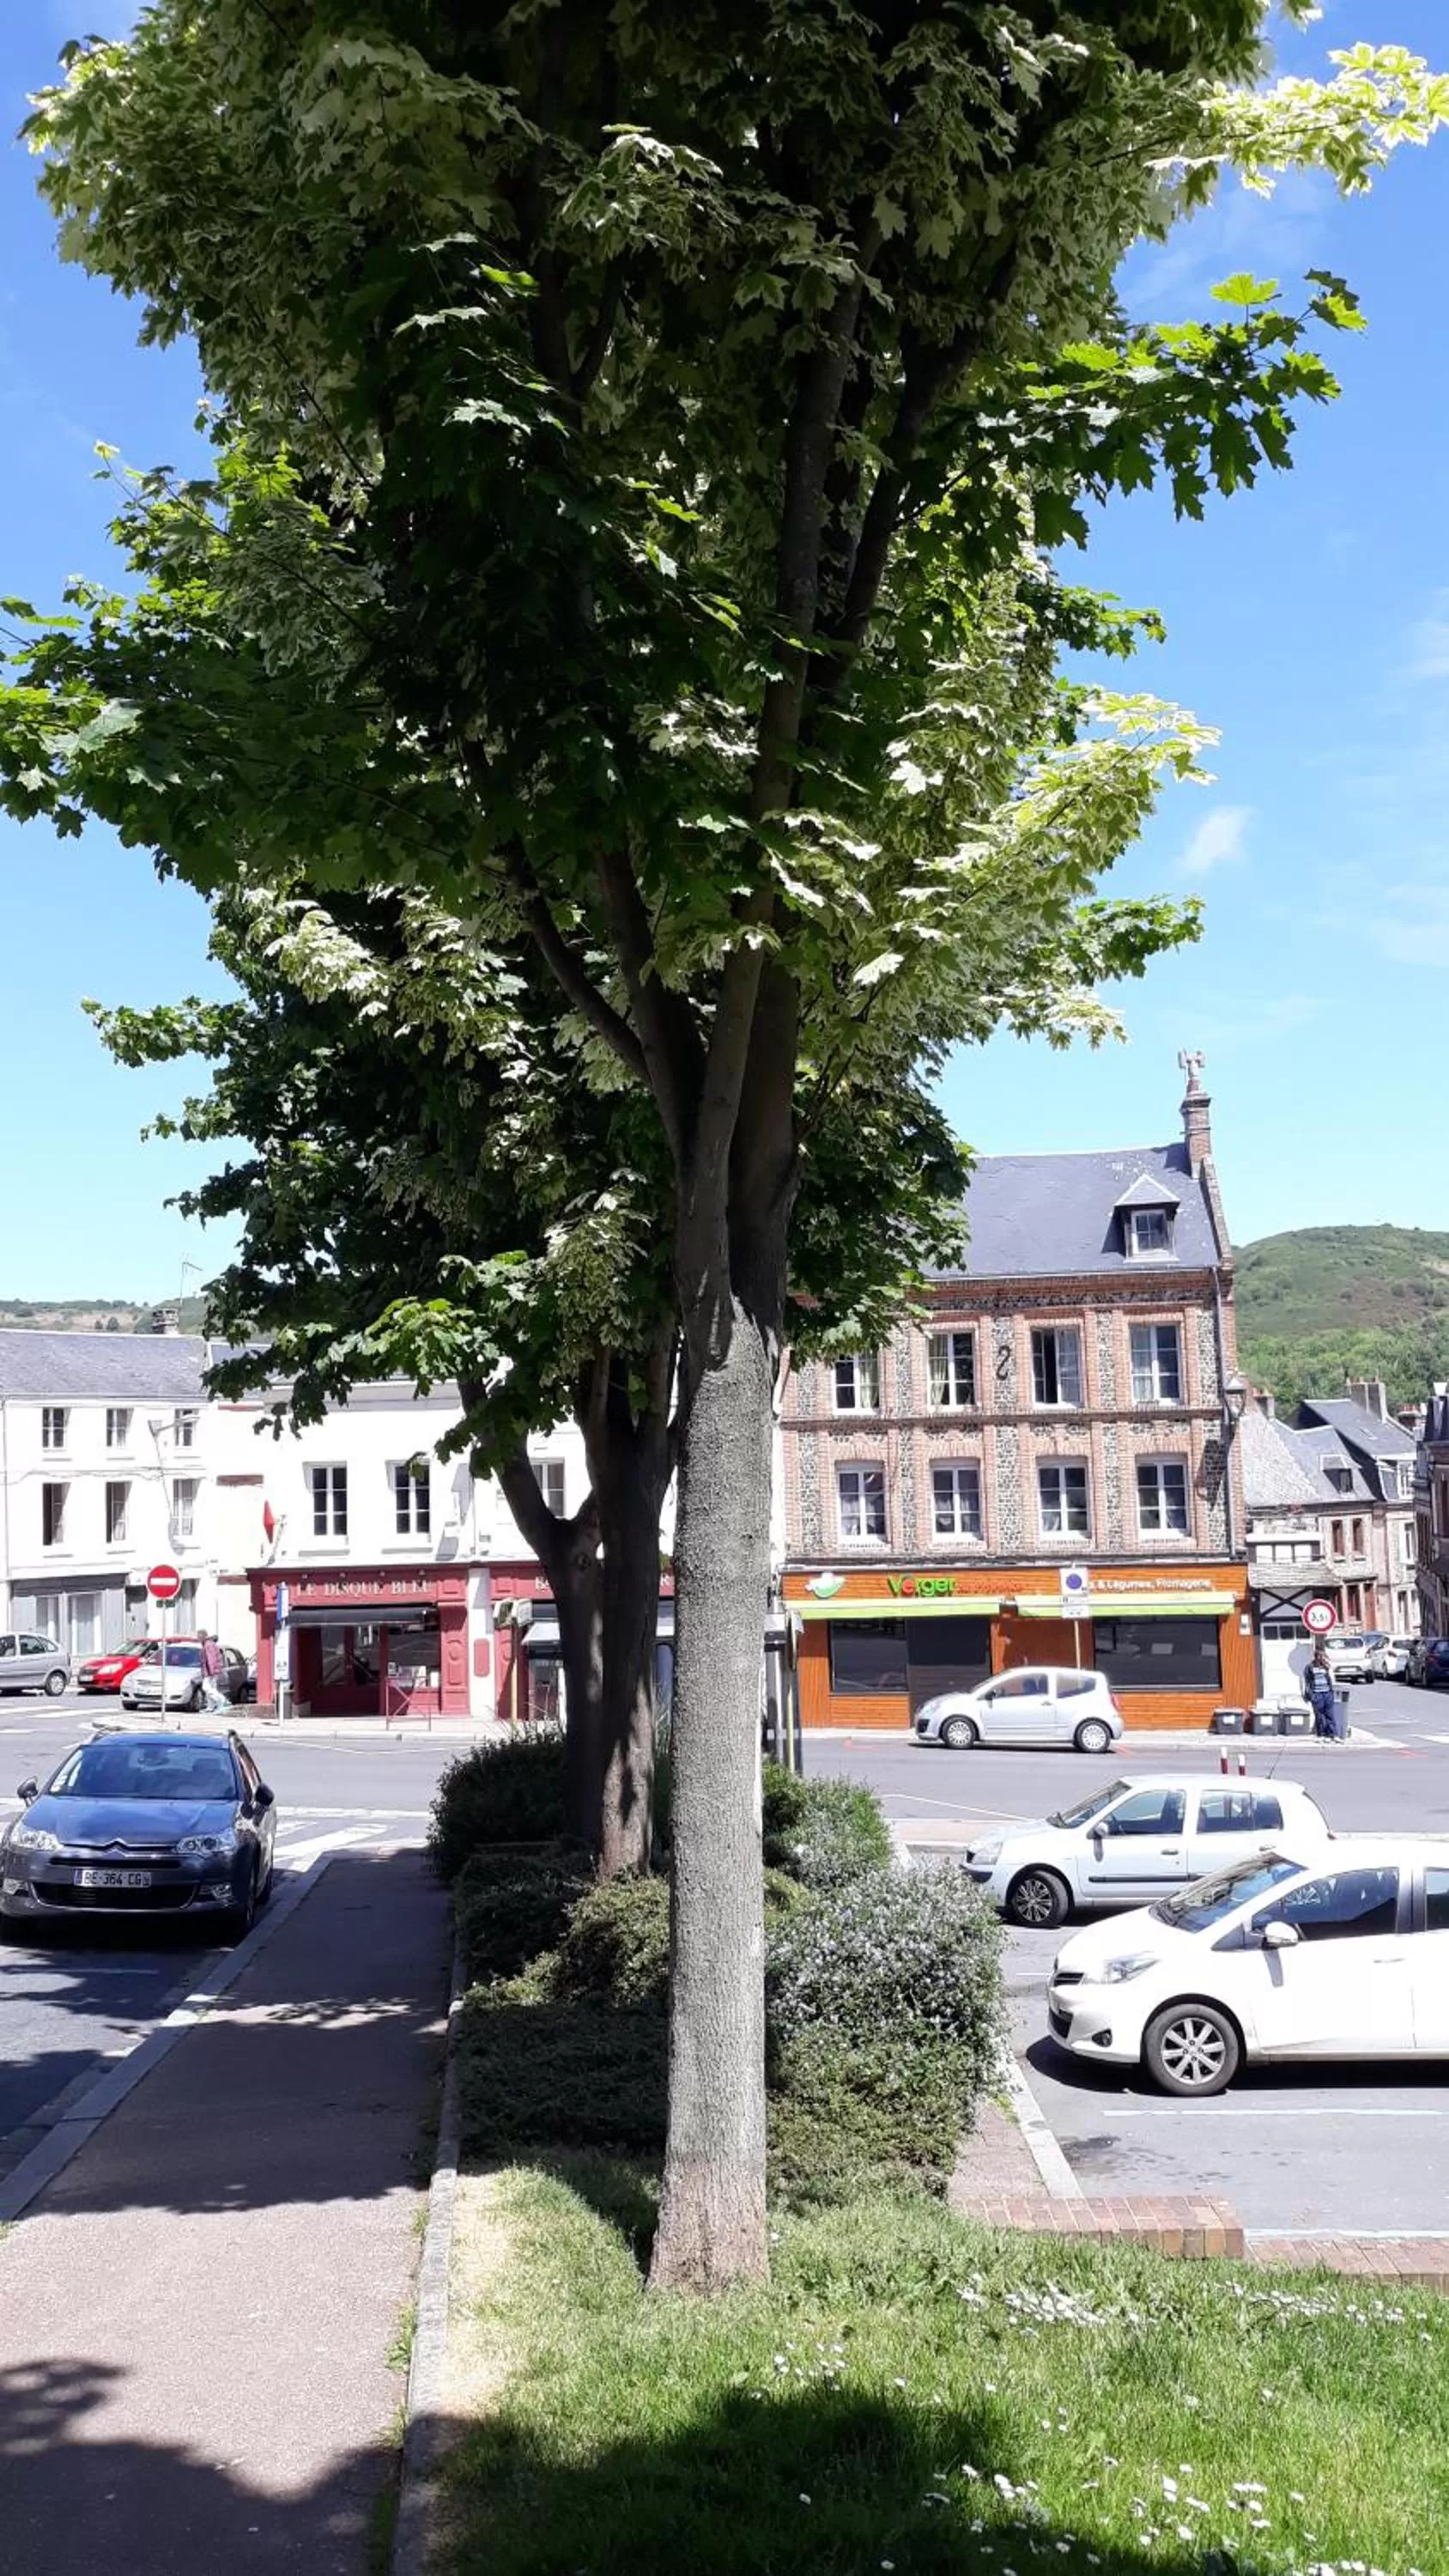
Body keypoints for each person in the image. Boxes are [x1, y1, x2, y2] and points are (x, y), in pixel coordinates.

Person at [1305, 1643, 1340, 1742]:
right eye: (1319, 1656)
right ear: (1316, 1657)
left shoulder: (1326, 1666)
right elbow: (1307, 1681)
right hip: (1316, 1693)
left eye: (1323, 1656)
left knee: (1330, 1714)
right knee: (1319, 1715)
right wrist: (1309, 1694)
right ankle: (1321, 1734)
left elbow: (1332, 1678)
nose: (1321, 1658)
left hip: (1327, 1692)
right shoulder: (1310, 1667)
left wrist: (1327, 1665)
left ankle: (1333, 1734)